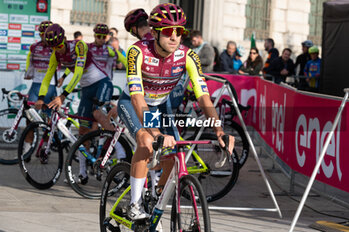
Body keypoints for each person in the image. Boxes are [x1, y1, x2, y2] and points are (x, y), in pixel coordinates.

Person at [117, 3, 235, 220]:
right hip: (134, 102)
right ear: (154, 32)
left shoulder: (188, 56)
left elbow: (203, 96)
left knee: (175, 156)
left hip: (160, 104)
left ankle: (155, 197)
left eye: (179, 31)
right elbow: (137, 97)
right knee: (146, 141)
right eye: (168, 31)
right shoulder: (138, 51)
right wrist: (154, 131)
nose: (174, 37)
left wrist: (219, 130)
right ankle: (134, 205)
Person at [35, 24, 115, 180]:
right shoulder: (56, 54)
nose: (57, 49)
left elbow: (78, 74)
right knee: (83, 132)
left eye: (59, 45)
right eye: (53, 47)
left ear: (64, 39)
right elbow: (47, 77)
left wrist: (63, 96)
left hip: (102, 83)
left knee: (97, 114)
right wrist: (40, 97)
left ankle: (120, 147)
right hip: (86, 90)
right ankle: (82, 173)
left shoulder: (79, 46)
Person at [23, 20, 56, 155]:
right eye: (42, 33)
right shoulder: (34, 47)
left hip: (50, 86)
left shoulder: (56, 48)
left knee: (50, 121)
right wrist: (28, 72)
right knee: (29, 119)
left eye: (47, 33)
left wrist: (63, 77)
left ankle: (44, 149)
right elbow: (29, 64)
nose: (44, 36)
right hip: (36, 85)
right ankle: (26, 149)